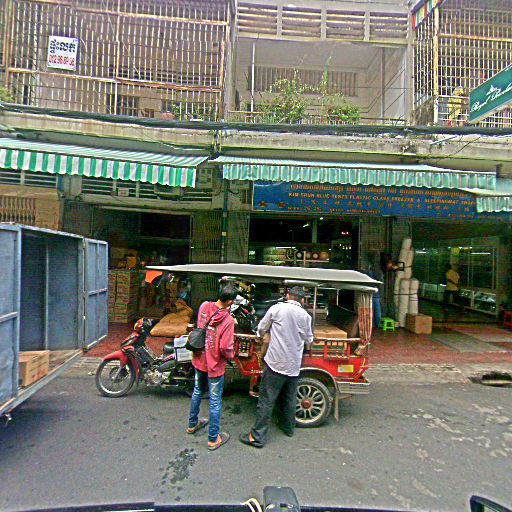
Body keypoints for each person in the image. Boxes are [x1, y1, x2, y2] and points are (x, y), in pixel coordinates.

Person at [239, 286, 314, 448]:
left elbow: (261, 328)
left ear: (288, 296)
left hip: (275, 364)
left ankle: (257, 437)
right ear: (302, 300)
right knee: (289, 398)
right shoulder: (306, 316)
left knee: (266, 400)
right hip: (293, 365)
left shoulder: (277, 309)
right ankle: (288, 428)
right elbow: (309, 340)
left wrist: (262, 336)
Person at [187, 283, 237, 451]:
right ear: (230, 302)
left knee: (197, 391)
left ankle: (192, 424)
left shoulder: (204, 306)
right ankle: (213, 438)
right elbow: (225, 347)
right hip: (214, 365)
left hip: (199, 359)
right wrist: (231, 356)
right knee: (215, 401)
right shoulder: (228, 320)